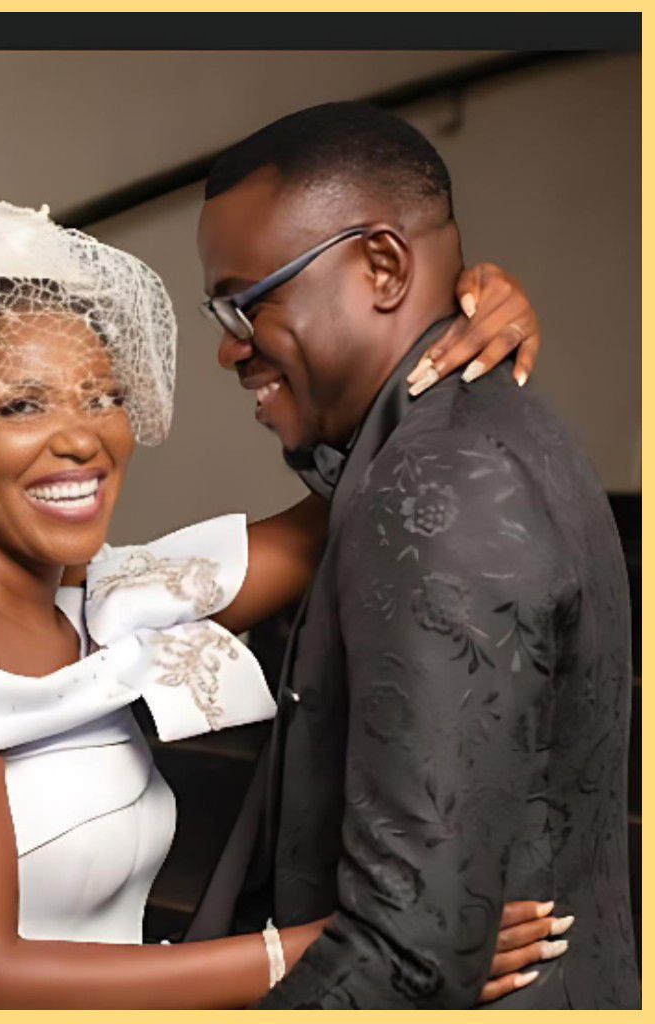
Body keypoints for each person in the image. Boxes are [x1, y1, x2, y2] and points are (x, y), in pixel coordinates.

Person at [0, 194, 561, 1010]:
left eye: (102, 396)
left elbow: (346, 513)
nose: (81, 437)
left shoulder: (100, 601)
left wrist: (464, 317)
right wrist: (348, 950)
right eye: (23, 405)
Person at [186, 101, 636, 1009]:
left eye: (248, 299)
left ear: (382, 265)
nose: (228, 346)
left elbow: (409, 957)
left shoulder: (439, 488)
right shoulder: (456, 438)